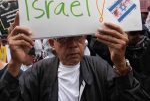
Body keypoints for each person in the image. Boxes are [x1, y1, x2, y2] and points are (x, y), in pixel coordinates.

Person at [0, 14, 150, 101]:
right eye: (64, 39)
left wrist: (121, 65)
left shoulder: (100, 68)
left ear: (85, 39)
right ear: (53, 43)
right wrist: (14, 62)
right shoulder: (39, 72)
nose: (72, 45)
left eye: (78, 37)